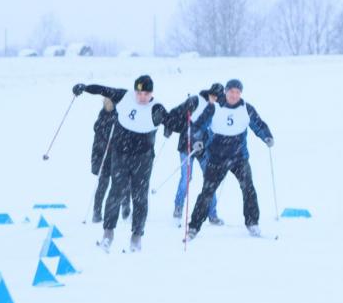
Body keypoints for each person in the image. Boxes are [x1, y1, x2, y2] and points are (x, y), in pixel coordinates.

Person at [73, 75, 186, 252]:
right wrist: (85, 87)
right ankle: (108, 233)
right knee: (116, 192)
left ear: (151, 93)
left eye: (146, 94)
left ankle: (136, 237)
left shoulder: (156, 108)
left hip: (143, 157)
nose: (142, 97)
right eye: (139, 93)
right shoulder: (124, 97)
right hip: (120, 154)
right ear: (135, 91)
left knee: (140, 196)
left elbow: (174, 124)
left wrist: (184, 120)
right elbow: (102, 89)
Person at [186, 79, 273, 239]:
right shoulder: (214, 107)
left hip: (239, 156)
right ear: (225, 92)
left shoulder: (246, 108)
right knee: (207, 192)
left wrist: (266, 136)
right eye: (231, 92)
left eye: (237, 92)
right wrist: (197, 140)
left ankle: (252, 222)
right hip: (217, 158)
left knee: (248, 188)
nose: (234, 95)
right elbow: (197, 126)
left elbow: (258, 124)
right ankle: (194, 227)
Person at [165, 82, 223, 225]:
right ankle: (178, 207)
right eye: (212, 95)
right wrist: (169, 126)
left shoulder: (217, 108)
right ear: (209, 93)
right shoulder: (196, 100)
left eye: (217, 97)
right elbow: (177, 112)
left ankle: (212, 214)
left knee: (210, 179)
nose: (214, 99)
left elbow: (216, 129)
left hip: (204, 148)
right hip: (187, 145)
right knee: (186, 177)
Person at [90, 96, 129, 223]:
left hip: (117, 157)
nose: (108, 105)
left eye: (110, 102)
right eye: (105, 102)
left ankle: (125, 207)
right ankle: (97, 211)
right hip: (103, 157)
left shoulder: (120, 116)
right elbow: (96, 141)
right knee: (102, 185)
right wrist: (96, 161)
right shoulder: (101, 117)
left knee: (122, 183)